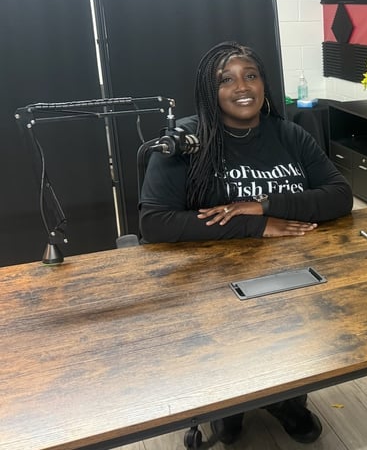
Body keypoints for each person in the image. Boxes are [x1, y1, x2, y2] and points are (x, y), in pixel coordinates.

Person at [139, 41, 353, 444]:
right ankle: (229, 407)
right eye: (226, 79)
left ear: (263, 83)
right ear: (210, 90)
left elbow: (340, 195)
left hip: (292, 276)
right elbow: (155, 222)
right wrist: (258, 225)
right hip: (217, 280)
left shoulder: (289, 133)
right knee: (232, 349)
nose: (242, 87)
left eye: (250, 75)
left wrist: (264, 204)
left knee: (293, 342)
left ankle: (288, 402)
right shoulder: (186, 141)